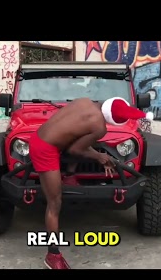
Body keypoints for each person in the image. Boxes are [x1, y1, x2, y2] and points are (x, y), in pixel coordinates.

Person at [29, 97, 152, 269]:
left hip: (39, 136)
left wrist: (96, 154)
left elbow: (73, 135)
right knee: (54, 203)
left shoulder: (84, 101)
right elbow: (75, 149)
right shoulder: (99, 127)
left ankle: (70, 174)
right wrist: (100, 156)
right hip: (44, 149)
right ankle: (53, 255)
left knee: (85, 141)